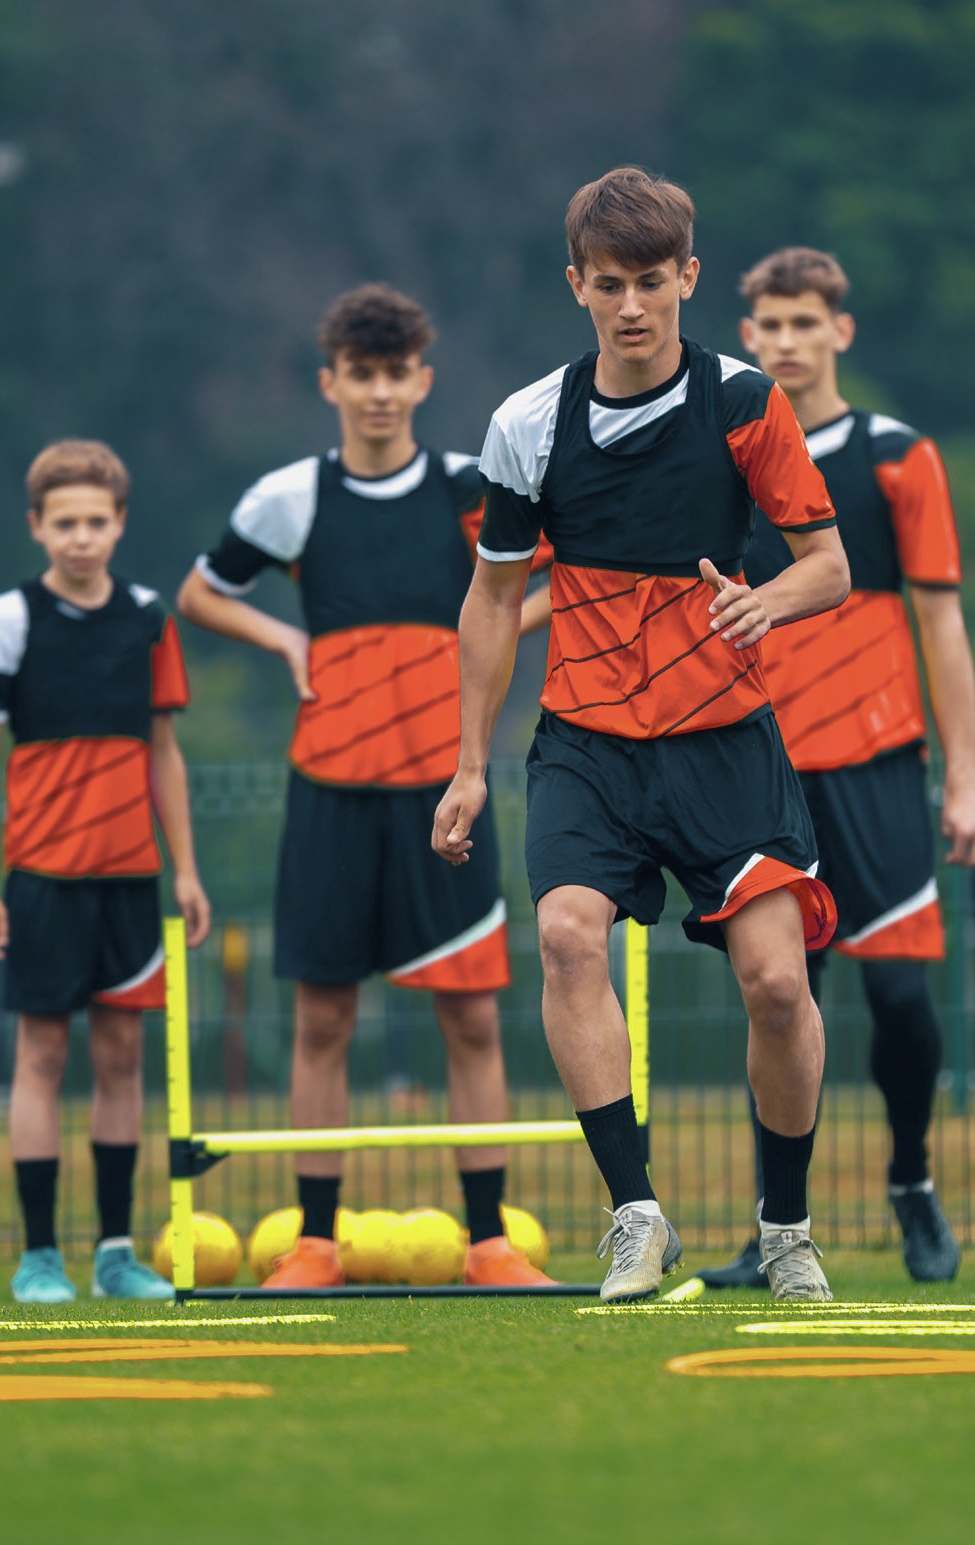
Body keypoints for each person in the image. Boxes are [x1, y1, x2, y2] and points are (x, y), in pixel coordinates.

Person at [434, 168, 851, 1303]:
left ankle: (784, 1230)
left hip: (724, 742)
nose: (631, 306)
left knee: (775, 985)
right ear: (574, 286)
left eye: (652, 283)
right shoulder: (526, 423)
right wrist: (469, 763)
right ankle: (635, 1216)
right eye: (608, 284)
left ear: (688, 279)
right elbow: (489, 599)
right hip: (586, 741)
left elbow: (827, 564)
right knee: (568, 937)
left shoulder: (742, 404)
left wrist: (766, 601)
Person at [177, 284, 558, 1289]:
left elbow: (551, 579)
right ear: (330, 383)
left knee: (470, 1018)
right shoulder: (287, 498)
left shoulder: (470, 487)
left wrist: (474, 645)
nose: (379, 393)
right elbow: (199, 594)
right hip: (328, 793)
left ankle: (487, 1245)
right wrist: (282, 634)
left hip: (446, 791)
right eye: (361, 375)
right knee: (321, 1018)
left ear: (422, 381)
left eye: (396, 375)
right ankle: (314, 1243)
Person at [695, 247, 975, 1289]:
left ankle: (911, 1184)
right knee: (777, 1002)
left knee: (903, 1001)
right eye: (768, 324)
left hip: (876, 768)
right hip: (759, 769)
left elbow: (943, 626)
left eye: (803, 322)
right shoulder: (726, 457)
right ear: (745, 335)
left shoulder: (892, 457)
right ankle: (776, 1229)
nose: (784, 340)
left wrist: (961, 781)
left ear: (840, 332)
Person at [0, 439, 211, 1304]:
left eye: (95, 522)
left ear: (121, 524)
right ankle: (38, 1255)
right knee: (40, 1053)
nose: (80, 537)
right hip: (39, 879)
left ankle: (114, 1253)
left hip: (130, 881)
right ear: (36, 527)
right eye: (63, 522)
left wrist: (185, 868)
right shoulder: (7, 620)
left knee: (120, 1057)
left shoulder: (148, 618)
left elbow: (164, 754)